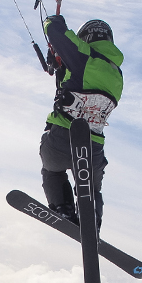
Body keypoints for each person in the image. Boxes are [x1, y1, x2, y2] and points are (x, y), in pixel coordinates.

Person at [39, 15, 124, 230]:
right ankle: (92, 221)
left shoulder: (83, 57)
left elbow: (56, 34)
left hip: (60, 140)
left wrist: (51, 21)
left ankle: (63, 208)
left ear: (85, 38)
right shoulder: (117, 75)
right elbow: (79, 83)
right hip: (93, 149)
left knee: (51, 171)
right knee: (92, 189)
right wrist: (61, 66)